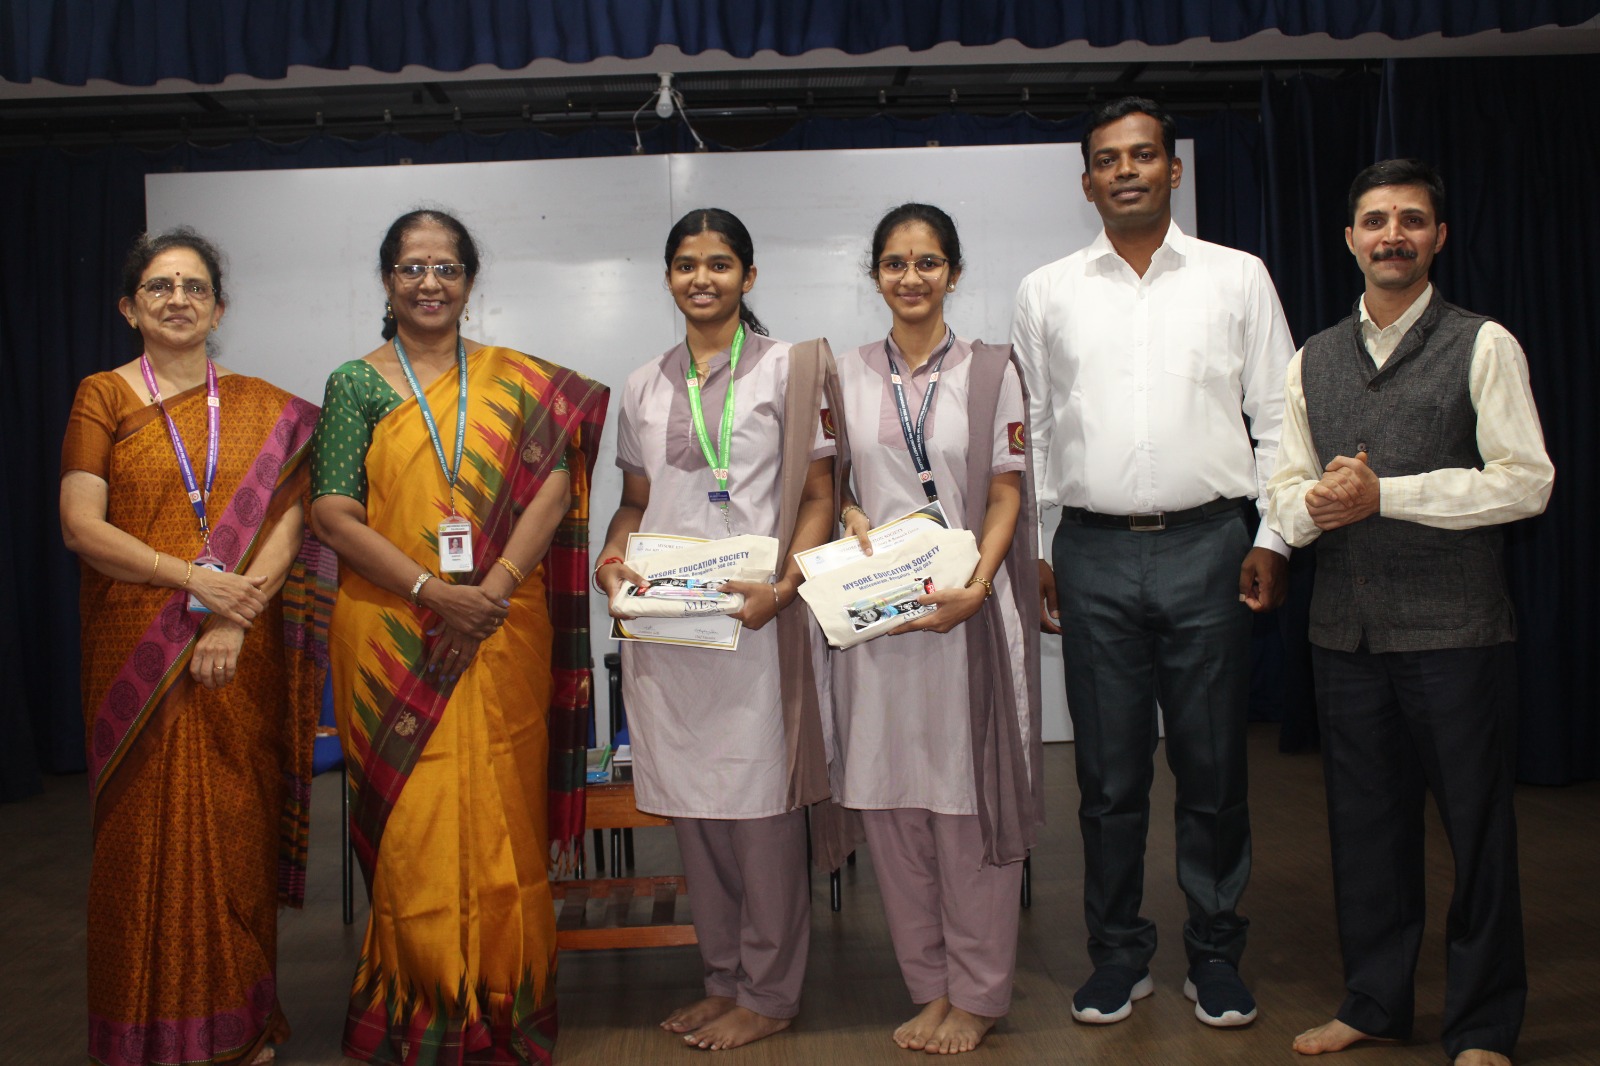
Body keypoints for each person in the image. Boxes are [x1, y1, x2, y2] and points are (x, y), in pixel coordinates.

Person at [1010, 95, 1295, 1029]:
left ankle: (1214, 955)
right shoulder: (1046, 291)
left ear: (1173, 170)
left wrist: (1272, 535)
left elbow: (1278, 416)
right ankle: (1118, 955)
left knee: (1214, 772)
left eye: (1142, 155)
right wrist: (1039, 546)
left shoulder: (1237, 277)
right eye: (1107, 159)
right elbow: (1032, 430)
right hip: (1089, 553)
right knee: (1108, 779)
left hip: (1211, 546)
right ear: (1086, 180)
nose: (1125, 170)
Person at [1266, 159, 1553, 1066]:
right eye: (1377, 220)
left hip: (1456, 634)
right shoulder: (1311, 358)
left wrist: (1386, 494)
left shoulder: (1483, 343)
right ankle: (1375, 1004)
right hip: (1344, 638)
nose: (1394, 234)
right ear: (1350, 239)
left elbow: (1527, 481)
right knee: (1366, 836)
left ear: (1438, 238)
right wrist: (1309, 508)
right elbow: (1282, 485)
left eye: (1412, 220)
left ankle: (1483, 1027)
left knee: (1477, 834)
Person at [310, 209, 607, 1066]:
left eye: (445, 267)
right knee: (415, 830)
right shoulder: (356, 386)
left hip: (504, 627)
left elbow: (555, 485)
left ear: (470, 281)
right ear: (387, 280)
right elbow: (332, 513)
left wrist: (494, 590)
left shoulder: (521, 383)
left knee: (505, 817)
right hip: (394, 633)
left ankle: (509, 1006)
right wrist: (436, 592)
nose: (429, 283)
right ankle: (421, 1010)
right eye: (411, 267)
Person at [60, 229, 325, 1066]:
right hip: (132, 647)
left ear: (219, 308)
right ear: (129, 306)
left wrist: (233, 615)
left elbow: (292, 519)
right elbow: (81, 527)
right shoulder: (102, 397)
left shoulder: (266, 408)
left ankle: (237, 1030)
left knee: (234, 833)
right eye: (160, 286)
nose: (178, 299)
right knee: (139, 843)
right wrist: (192, 578)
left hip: (236, 649)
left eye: (195, 287)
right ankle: (143, 1035)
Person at [595, 207, 835, 1052]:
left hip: (756, 621)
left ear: (749, 276)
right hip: (670, 631)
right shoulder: (642, 384)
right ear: (668, 277)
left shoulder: (791, 371)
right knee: (696, 816)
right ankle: (724, 979)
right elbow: (634, 503)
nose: (703, 278)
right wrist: (611, 559)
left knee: (761, 813)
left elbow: (819, 497)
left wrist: (785, 587)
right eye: (687, 264)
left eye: (721, 263)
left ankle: (770, 993)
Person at [829, 203, 1043, 1054]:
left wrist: (979, 587)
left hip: (966, 616)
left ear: (954, 272)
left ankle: (980, 993)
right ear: (875, 275)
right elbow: (838, 485)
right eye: (894, 263)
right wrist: (849, 512)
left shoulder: (992, 371)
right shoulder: (844, 374)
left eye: (927, 262)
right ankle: (931, 987)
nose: (910, 278)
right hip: (878, 623)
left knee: (967, 801)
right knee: (889, 803)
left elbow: (1007, 491)